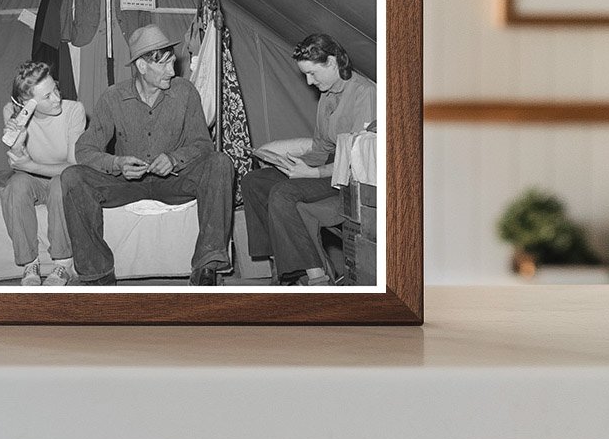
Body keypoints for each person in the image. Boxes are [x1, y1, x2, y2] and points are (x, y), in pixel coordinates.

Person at [61, 24, 234, 286]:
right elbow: (84, 149)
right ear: (142, 66)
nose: (172, 71)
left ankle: (207, 267)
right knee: (73, 177)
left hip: (174, 181)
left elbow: (202, 145)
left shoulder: (185, 92)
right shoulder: (113, 98)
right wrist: (117, 163)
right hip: (126, 184)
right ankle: (97, 274)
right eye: (163, 64)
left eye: (172, 62)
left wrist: (174, 158)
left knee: (220, 162)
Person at [241, 33, 376, 286]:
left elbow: (358, 160)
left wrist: (312, 173)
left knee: (282, 193)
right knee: (254, 181)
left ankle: (316, 277)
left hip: (349, 178)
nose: (309, 81)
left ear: (332, 62)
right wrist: (288, 162)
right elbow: (322, 146)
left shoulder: (364, 93)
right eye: (305, 74)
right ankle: (281, 262)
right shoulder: (327, 94)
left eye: (312, 73)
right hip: (329, 164)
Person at [2, 61, 85, 286]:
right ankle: (30, 264)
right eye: (47, 96)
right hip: (34, 181)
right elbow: (18, 166)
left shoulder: (74, 110)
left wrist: (30, 166)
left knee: (60, 184)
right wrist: (18, 144)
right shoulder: (11, 112)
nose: (57, 98)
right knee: (15, 185)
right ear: (26, 103)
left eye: (55, 88)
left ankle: (63, 264)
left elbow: (74, 167)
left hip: (64, 178)